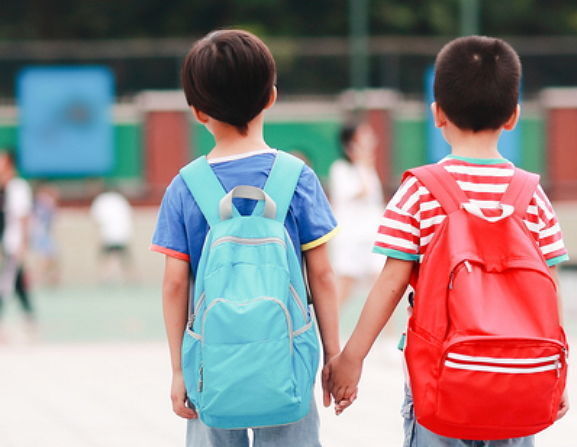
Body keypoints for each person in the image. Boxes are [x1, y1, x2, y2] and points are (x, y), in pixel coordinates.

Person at [323, 36, 570, 446]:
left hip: (441, 381)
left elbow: (390, 283)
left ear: (437, 114)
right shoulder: (533, 196)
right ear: (514, 116)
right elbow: (551, 290)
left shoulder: (420, 191)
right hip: (519, 378)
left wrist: (351, 358)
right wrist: (558, 373)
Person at [150, 29, 340, 447]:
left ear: (198, 111)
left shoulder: (185, 187)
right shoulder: (298, 178)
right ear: (271, 96)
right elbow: (323, 276)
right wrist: (333, 356)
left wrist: (180, 371)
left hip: (211, 360)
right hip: (287, 357)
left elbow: (175, 284)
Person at [329, 122, 385, 305]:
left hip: (372, 237)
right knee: (345, 284)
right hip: (351, 238)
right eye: (364, 138)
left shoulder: (368, 169)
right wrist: (362, 163)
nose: (370, 142)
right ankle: (327, 329)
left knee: (381, 283)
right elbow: (363, 191)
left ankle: (390, 332)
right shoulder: (341, 169)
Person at [0, 150, 35, 338]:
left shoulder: (18, 187)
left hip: (14, 242)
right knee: (17, 281)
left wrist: (23, 243)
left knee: (6, 282)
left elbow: (23, 217)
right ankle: (30, 316)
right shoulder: (5, 188)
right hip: (8, 242)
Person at [90, 183, 133, 282]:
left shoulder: (101, 200)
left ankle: (106, 277)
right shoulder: (121, 200)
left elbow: (96, 218)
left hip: (107, 234)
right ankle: (130, 278)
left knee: (106, 257)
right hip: (123, 233)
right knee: (124, 257)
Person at [32, 182, 60, 286]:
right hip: (42, 234)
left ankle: (49, 278)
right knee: (47, 257)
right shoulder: (45, 200)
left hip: (43, 233)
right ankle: (39, 278)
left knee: (51, 257)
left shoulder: (39, 201)